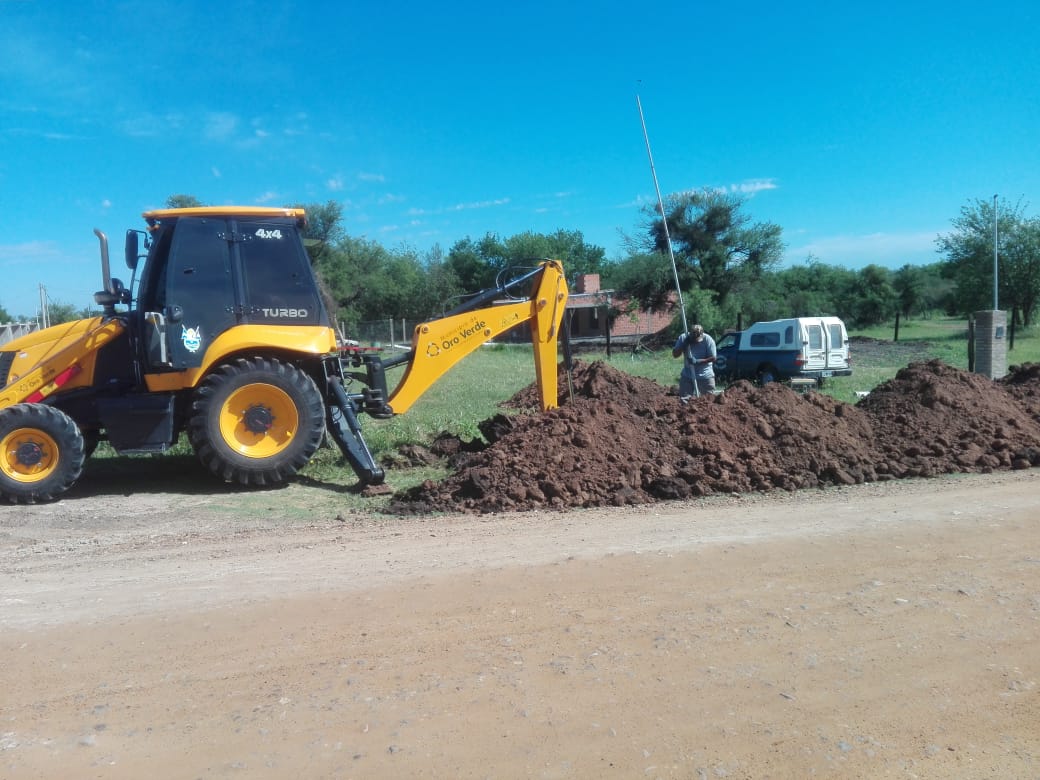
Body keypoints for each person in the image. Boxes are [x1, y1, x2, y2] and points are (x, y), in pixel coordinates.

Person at [672, 324, 717, 400]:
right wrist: (684, 345)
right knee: (684, 400)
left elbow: (713, 358)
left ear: (702, 334)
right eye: (694, 339)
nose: (695, 341)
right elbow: (675, 355)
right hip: (687, 375)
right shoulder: (683, 337)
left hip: (705, 376)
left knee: (709, 401)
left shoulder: (708, 340)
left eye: (697, 339)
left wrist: (698, 361)